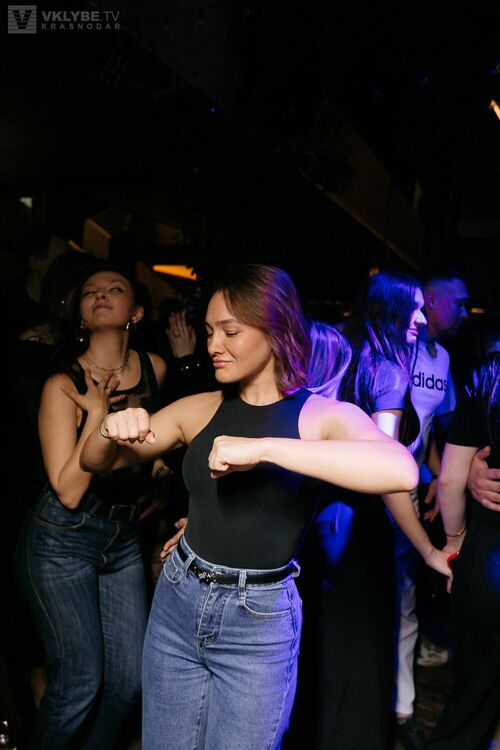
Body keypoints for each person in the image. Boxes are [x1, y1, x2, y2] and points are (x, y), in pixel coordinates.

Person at [79, 264, 419, 750]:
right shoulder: (200, 408)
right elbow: (96, 461)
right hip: (178, 601)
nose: (213, 345)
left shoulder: (321, 416)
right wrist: (108, 427)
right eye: (209, 331)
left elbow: (401, 470)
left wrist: (263, 449)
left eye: (231, 331)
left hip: (257, 623)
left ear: (276, 331)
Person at [15, 260, 167, 750]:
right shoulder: (62, 384)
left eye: (115, 288)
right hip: (62, 538)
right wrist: (98, 414)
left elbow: (157, 446)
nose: (101, 295)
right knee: (78, 684)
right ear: (81, 315)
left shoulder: (155, 369)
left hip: (122, 538)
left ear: (136, 312)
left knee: (127, 684)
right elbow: (69, 488)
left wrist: (159, 481)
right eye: (90, 292)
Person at [303, 272, 450, 750]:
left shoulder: (338, 353)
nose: (422, 318)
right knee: (359, 659)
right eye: (414, 308)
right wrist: (427, 548)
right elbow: (382, 472)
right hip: (356, 529)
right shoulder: (386, 371)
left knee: (322, 653)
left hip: (314, 520)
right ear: (389, 309)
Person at [428, 353, 500, 749]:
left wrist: (455, 544)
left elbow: (449, 480)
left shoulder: (491, 372)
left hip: (487, 559)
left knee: (469, 707)